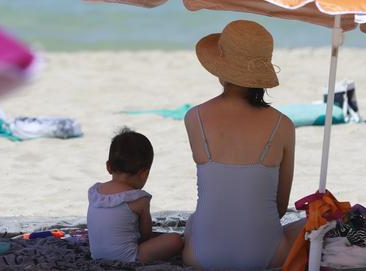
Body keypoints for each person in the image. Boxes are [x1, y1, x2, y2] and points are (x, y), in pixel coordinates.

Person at [183, 20, 303, 269]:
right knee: (314, 225)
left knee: (195, 222)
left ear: (221, 67)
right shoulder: (283, 125)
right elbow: (280, 207)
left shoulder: (194, 118)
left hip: (201, 257)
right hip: (267, 254)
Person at [87, 128, 184, 263]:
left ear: (108, 167)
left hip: (97, 255)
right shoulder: (139, 199)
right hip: (128, 258)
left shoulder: (95, 192)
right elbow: (145, 235)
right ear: (144, 173)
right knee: (175, 240)